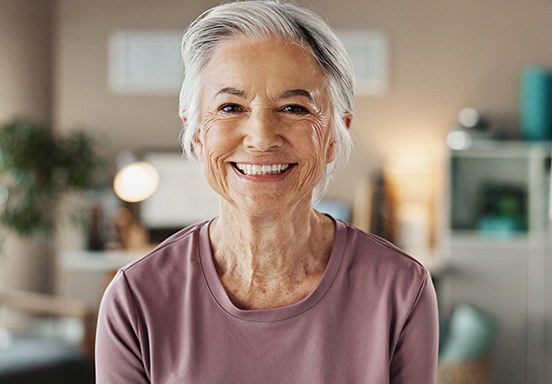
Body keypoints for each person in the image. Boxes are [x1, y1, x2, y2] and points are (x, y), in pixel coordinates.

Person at [95, 1, 439, 383]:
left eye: (293, 108)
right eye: (230, 107)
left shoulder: (401, 289)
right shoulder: (135, 298)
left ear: (333, 137)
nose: (261, 138)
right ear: (195, 132)